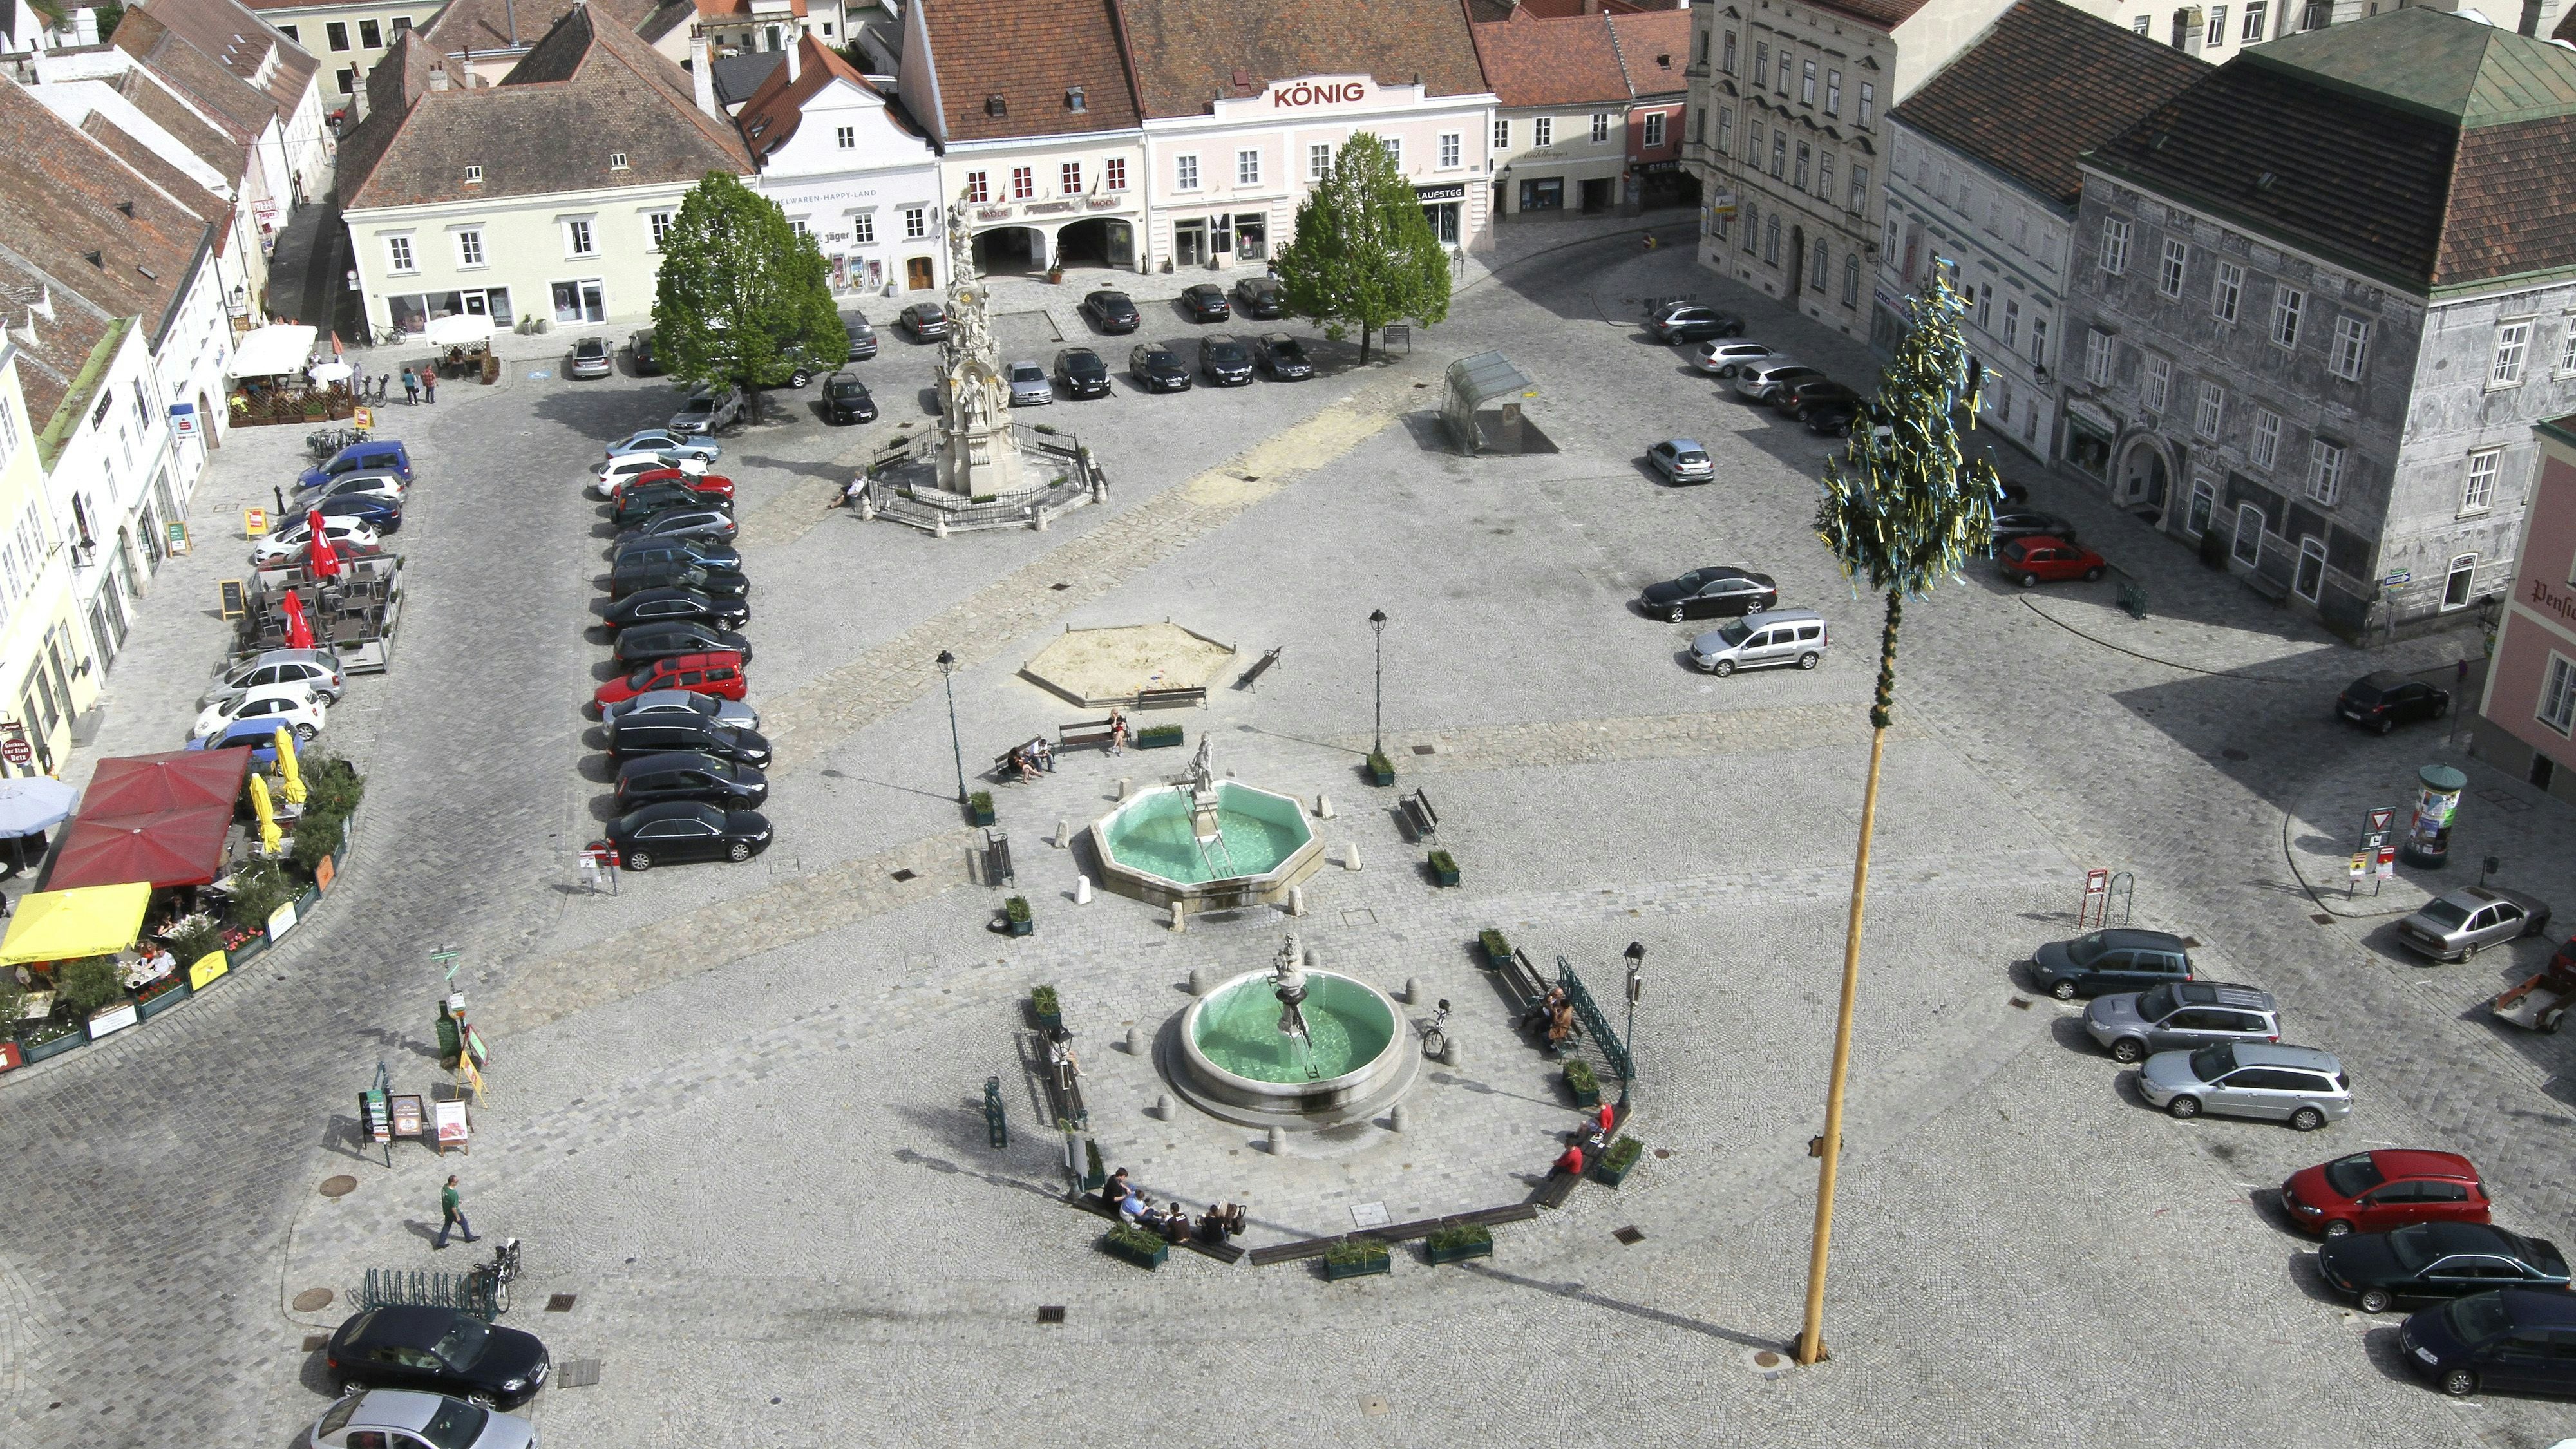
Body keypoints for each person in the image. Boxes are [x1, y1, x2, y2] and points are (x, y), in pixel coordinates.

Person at [434, 1173, 477, 1248]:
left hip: (446, 1211)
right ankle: (469, 1237)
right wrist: (457, 1216)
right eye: (456, 1181)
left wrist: (457, 1201)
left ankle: (441, 1243)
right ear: (452, 1183)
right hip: (453, 1212)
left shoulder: (445, 1187)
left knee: (447, 1226)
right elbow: (454, 1208)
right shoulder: (453, 1194)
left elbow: (448, 1200)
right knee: (464, 1223)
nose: (458, 1182)